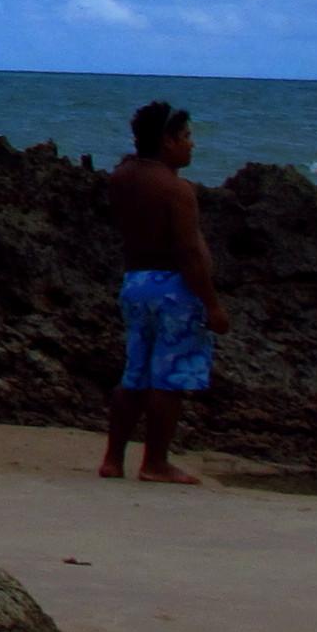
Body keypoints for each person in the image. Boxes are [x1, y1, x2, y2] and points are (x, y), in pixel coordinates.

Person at [100, 99, 227, 483]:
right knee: (168, 379)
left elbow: (129, 166)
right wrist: (212, 305)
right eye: (186, 137)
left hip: (136, 284)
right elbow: (188, 253)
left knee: (135, 373)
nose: (192, 144)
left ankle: (113, 458)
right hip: (174, 289)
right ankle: (155, 462)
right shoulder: (176, 189)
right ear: (167, 140)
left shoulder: (124, 176)